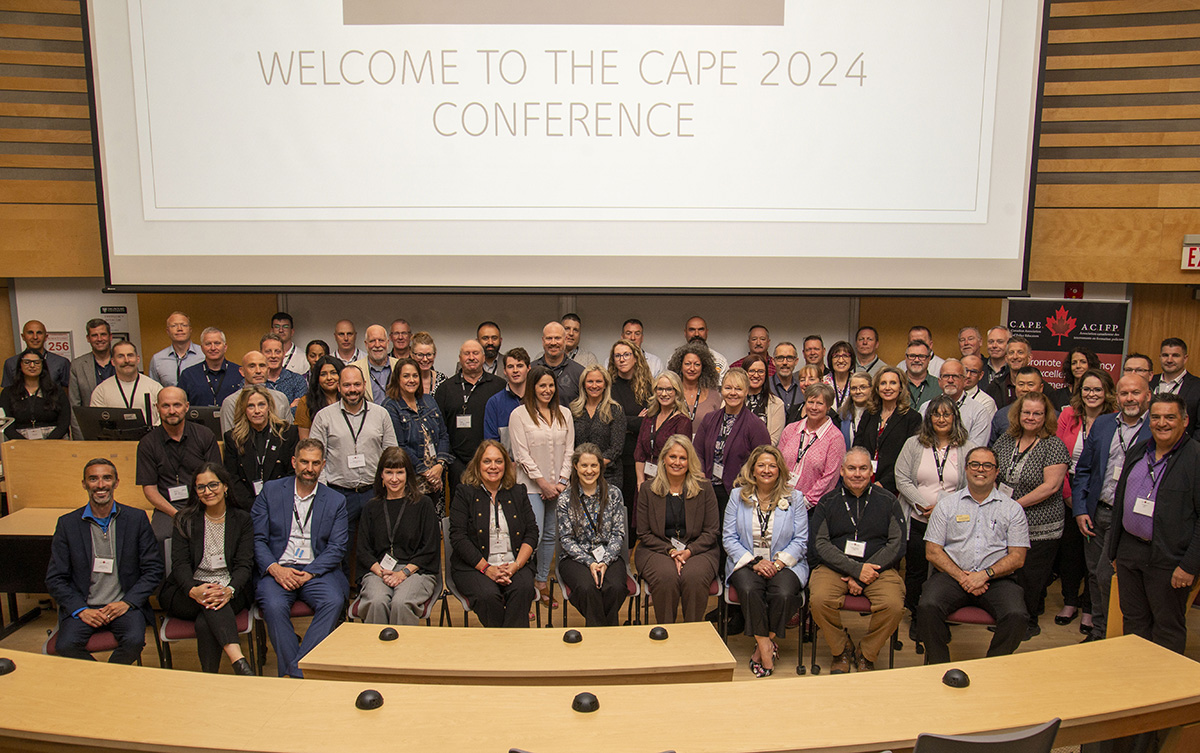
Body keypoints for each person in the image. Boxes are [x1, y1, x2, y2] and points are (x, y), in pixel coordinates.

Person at [916, 446, 1029, 664]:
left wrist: (984, 575)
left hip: (997, 579)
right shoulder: (947, 505)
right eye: (975, 465)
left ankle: (992, 667)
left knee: (1017, 615)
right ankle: (939, 665)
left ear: (996, 472)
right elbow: (932, 551)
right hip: (952, 576)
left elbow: (1018, 557)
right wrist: (963, 577)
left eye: (987, 466)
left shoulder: (1012, 509)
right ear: (966, 470)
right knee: (927, 606)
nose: (981, 470)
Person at [45, 458, 163, 664]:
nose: (100, 485)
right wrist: (81, 610)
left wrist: (127, 602)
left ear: (116, 482)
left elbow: (153, 569)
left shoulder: (137, 519)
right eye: (93, 479)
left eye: (106, 478)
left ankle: (104, 682)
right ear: (84, 484)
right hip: (85, 606)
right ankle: (105, 682)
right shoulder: (68, 524)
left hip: (123, 605)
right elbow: (55, 578)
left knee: (134, 641)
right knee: (65, 645)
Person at [1108, 393, 1200, 654]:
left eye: (1170, 417)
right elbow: (1120, 501)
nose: (1162, 423)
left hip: (1170, 559)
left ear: (1184, 421)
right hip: (1130, 552)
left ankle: (1165, 688)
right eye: (1156, 417)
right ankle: (1137, 681)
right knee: (1134, 621)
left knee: (1167, 627)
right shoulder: (1140, 450)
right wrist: (1115, 552)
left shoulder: (1195, 458)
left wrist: (1189, 566)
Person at [252, 439, 349, 677]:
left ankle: (294, 669)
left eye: (316, 463)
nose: (309, 468)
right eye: (304, 462)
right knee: (273, 606)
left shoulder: (336, 500)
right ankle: (300, 672)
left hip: (315, 570)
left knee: (333, 601)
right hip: (279, 568)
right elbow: (257, 539)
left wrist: (311, 572)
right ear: (294, 462)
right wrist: (275, 569)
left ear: (323, 465)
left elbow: (337, 547)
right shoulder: (271, 491)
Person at [809, 448, 906, 672]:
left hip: (878, 568)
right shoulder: (828, 501)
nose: (857, 473)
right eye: (851, 468)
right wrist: (855, 570)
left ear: (871, 471)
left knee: (893, 606)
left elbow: (897, 544)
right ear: (842, 471)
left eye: (863, 468)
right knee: (820, 600)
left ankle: (867, 652)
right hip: (835, 567)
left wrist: (864, 574)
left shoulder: (888, 501)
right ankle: (841, 649)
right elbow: (821, 543)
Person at [1073, 373, 1152, 643]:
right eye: (1124, 393)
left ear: (1148, 395)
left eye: (1136, 393)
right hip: (1098, 512)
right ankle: (1099, 632)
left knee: (1115, 578)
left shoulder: (1158, 426)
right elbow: (1083, 469)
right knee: (1094, 575)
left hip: (1132, 518)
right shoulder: (1104, 424)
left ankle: (1119, 636)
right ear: (1116, 397)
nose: (1129, 398)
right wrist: (1081, 509)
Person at [158, 463, 255, 675]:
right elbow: (180, 564)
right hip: (188, 592)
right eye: (201, 487)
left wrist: (228, 590)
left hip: (230, 589)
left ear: (226, 486)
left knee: (207, 619)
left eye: (213, 485)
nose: (207, 491)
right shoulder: (185, 519)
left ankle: (210, 676)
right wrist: (194, 590)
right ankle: (239, 661)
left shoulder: (242, 520)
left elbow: (244, 565)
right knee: (213, 605)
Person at [723, 446, 809, 678]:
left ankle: (764, 643)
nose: (767, 470)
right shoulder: (737, 496)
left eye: (772, 465)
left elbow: (801, 541)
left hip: (785, 562)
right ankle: (765, 647)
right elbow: (729, 538)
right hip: (746, 560)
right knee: (750, 589)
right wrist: (755, 562)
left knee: (783, 593)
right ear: (752, 469)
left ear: (780, 470)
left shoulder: (795, 498)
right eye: (761, 465)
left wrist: (778, 564)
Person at [309, 364, 399, 579]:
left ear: (364, 385)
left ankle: (370, 587)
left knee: (378, 543)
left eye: (357, 384)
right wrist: (323, 494)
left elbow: (391, 455)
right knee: (341, 547)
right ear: (339, 387)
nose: (352, 389)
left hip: (374, 492)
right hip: (339, 494)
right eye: (347, 385)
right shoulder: (324, 417)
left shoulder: (381, 414)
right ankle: (343, 591)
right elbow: (316, 457)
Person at [993, 391, 1069, 639]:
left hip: (1041, 524)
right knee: (1011, 573)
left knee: (1032, 576)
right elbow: (994, 470)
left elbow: (1051, 486)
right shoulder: (1006, 439)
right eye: (1026, 412)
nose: (1031, 417)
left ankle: (1029, 621)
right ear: (1018, 413)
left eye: (1037, 413)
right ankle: (1010, 617)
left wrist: (1014, 506)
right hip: (1008, 521)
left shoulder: (1053, 444)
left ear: (1046, 416)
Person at [895, 394, 975, 623]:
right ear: (928, 418)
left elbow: (972, 483)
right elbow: (902, 478)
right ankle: (916, 614)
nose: (941, 419)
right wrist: (921, 504)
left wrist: (942, 508)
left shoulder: (968, 448)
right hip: (917, 518)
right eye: (935, 414)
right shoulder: (914, 444)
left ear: (955, 417)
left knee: (944, 571)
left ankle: (940, 613)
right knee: (916, 570)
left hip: (952, 523)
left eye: (946, 414)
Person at [448, 440, 538, 627]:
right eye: (487, 461)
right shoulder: (464, 493)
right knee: (488, 595)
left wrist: (515, 566)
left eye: (498, 461)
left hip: (514, 563)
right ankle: (508, 645)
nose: (493, 467)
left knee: (522, 589)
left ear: (506, 464)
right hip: (475, 567)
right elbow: (458, 537)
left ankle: (504, 647)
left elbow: (532, 532)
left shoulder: (518, 492)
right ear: (477, 465)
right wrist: (487, 569)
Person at [1053, 368, 1115, 632]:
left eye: (1097, 389)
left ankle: (1089, 608)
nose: (1091, 394)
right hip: (1067, 489)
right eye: (1087, 389)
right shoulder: (1068, 415)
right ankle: (1069, 601)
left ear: (1107, 393)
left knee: (1096, 560)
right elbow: (1057, 452)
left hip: (1097, 495)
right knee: (1070, 554)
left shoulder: (1114, 420)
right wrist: (1069, 496)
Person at [635, 435, 720, 623]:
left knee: (694, 577)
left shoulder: (704, 488)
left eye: (683, 458)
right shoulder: (648, 489)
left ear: (690, 461)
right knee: (666, 577)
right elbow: (644, 533)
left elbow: (711, 531)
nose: (677, 462)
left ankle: (691, 632)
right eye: (672, 457)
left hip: (699, 550)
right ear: (664, 459)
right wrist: (671, 551)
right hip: (657, 549)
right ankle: (667, 633)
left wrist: (689, 552)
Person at [509, 365, 574, 604]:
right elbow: (521, 455)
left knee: (550, 536)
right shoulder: (519, 415)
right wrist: (543, 484)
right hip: (531, 487)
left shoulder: (564, 414)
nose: (547, 390)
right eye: (541, 385)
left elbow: (570, 451)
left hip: (559, 486)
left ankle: (541, 581)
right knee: (531, 538)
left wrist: (561, 482)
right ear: (532, 387)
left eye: (550, 385)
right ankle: (522, 586)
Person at [355, 447, 440, 626]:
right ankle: (377, 654)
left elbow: (429, 548)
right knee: (376, 602)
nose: (394, 479)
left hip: (416, 571)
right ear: (381, 476)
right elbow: (363, 550)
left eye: (400, 472)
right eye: (389, 472)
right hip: (378, 571)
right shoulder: (371, 507)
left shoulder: (423, 505)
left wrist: (403, 573)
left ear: (408, 475)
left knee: (401, 603)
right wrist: (381, 573)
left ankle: (403, 654)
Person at [555, 443, 628, 626]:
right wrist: (590, 563)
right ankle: (605, 634)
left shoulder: (614, 494)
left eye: (594, 465)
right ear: (575, 467)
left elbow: (618, 533)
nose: (589, 471)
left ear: (600, 467)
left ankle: (597, 632)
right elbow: (566, 539)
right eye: (584, 465)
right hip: (575, 558)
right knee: (587, 588)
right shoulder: (565, 498)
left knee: (616, 587)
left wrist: (604, 561)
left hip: (608, 555)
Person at [137, 387, 222, 541]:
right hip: (167, 508)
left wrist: (202, 509)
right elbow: (149, 489)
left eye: (177, 405)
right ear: (157, 408)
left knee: (213, 534)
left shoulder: (204, 435)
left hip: (203, 504)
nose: (172, 411)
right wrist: (176, 514)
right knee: (160, 537)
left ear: (187, 407)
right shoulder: (147, 443)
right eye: (165, 406)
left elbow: (216, 479)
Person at [694, 368, 772, 515]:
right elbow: (697, 451)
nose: (733, 393)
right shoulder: (709, 419)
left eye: (738, 389)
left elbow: (763, 459)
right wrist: (701, 475)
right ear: (721, 390)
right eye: (728, 388)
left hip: (739, 492)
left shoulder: (755, 425)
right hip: (708, 489)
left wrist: (745, 481)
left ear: (746, 391)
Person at [434, 339, 504, 488]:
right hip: (456, 462)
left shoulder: (499, 386)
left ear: (483, 357)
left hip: (490, 462)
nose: (471, 357)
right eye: (467, 354)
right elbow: (440, 428)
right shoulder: (445, 389)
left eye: (475, 353)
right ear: (460, 359)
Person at [383, 357, 453, 506]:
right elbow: (399, 446)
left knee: (430, 523)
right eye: (406, 376)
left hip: (435, 478)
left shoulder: (429, 400)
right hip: (410, 480)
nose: (411, 380)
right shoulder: (390, 407)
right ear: (397, 379)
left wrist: (440, 465)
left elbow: (443, 435)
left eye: (415, 375)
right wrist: (426, 472)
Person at [223, 385, 299, 511]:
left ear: (269, 406)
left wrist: (273, 504)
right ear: (244, 409)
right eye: (250, 406)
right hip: (246, 508)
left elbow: (292, 474)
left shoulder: (287, 433)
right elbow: (232, 478)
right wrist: (255, 507)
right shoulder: (233, 438)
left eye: (261, 405)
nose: (257, 411)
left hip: (281, 505)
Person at [853, 367, 922, 496]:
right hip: (864, 482)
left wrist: (884, 484)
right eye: (883, 383)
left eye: (893, 383)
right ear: (877, 388)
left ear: (901, 388)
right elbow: (857, 447)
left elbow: (911, 459)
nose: (887, 387)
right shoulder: (869, 413)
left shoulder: (912, 418)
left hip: (893, 487)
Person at [778, 383, 845, 509]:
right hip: (781, 500)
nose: (814, 407)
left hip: (813, 508)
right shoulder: (790, 429)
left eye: (819, 403)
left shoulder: (835, 438)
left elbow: (830, 477)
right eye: (810, 402)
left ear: (828, 407)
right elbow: (778, 463)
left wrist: (805, 502)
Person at [607, 339, 652, 513]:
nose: (622, 359)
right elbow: (609, 420)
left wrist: (624, 421)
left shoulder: (648, 387)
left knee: (637, 507)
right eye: (617, 355)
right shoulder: (608, 386)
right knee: (617, 507)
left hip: (641, 455)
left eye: (626, 355)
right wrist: (634, 420)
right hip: (617, 457)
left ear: (635, 358)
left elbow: (649, 422)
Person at [570, 365, 627, 488]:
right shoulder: (574, 410)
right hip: (579, 474)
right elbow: (570, 444)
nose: (594, 386)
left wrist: (593, 466)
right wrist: (583, 468)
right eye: (590, 381)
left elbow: (616, 448)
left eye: (599, 381)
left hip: (609, 476)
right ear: (584, 384)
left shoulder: (615, 410)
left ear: (606, 384)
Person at [635, 371, 693, 489]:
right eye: (660, 389)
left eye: (669, 389)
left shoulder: (683, 422)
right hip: (645, 481)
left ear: (677, 392)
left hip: (669, 483)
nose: (664, 394)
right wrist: (640, 481)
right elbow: (639, 452)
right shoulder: (649, 417)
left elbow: (680, 458)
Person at [0, 349, 69, 440]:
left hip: (54, 440)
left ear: (42, 366)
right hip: (18, 442)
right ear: (20, 365)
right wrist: (24, 443)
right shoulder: (8, 393)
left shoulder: (56, 390)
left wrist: (49, 442)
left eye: (36, 362)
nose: (32, 366)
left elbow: (64, 420)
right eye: (27, 362)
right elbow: (6, 423)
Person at [90, 340, 162, 425]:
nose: (127, 360)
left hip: (148, 437)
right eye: (121, 356)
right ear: (113, 361)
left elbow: (163, 419)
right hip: (116, 438)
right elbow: (97, 423)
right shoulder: (101, 391)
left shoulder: (155, 388)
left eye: (130, 355)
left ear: (137, 359)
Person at [926, 358, 992, 448]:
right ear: (939, 381)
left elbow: (976, 450)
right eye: (946, 376)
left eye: (955, 376)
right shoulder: (926, 407)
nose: (950, 380)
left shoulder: (979, 412)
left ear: (965, 381)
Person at [218, 351, 290, 434]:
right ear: (242, 371)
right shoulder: (231, 402)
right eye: (252, 366)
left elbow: (288, 435)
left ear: (268, 370)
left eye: (262, 366)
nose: (258, 371)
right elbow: (229, 440)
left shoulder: (281, 398)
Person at [68, 318, 115, 439]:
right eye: (94, 335)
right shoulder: (77, 366)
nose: (99, 339)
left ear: (110, 337)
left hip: (120, 428)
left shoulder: (123, 361)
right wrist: (79, 437)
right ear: (88, 338)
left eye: (103, 334)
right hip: (90, 430)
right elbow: (75, 407)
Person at [178, 327, 243, 408]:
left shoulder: (239, 373)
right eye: (208, 344)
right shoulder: (188, 375)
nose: (213, 348)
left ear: (225, 347)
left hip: (232, 420)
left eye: (217, 343)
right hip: (196, 420)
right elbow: (179, 404)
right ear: (202, 348)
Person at [1151, 337, 1200, 437]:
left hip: (1184, 448)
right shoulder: (1149, 382)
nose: (1169, 360)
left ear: (1185, 358)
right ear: (1160, 357)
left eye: (1175, 356)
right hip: (1147, 447)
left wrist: (1189, 450)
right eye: (1165, 355)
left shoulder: (1197, 386)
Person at [667, 341, 722, 428]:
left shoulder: (713, 394)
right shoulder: (670, 392)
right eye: (687, 364)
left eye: (697, 364)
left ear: (703, 367)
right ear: (680, 366)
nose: (692, 368)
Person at [1, 319, 70, 389]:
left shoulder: (61, 362)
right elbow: (7, 395)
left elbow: (67, 394)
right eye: (30, 333)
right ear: (23, 336)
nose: (35, 337)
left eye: (39, 333)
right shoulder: (11, 363)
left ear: (46, 337)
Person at [483, 347, 530, 449]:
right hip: (507, 463)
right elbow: (491, 442)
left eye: (520, 366)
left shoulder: (538, 399)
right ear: (504, 371)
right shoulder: (494, 403)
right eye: (510, 367)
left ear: (528, 368)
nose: (515, 370)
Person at [532, 321, 585, 405]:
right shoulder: (531, 370)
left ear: (565, 340)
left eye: (557, 338)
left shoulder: (579, 373)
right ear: (543, 341)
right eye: (549, 338)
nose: (553, 343)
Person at [989, 366, 1045, 443]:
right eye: (1021, 384)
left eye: (1030, 385)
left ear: (1041, 388)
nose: (1025, 389)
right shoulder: (1001, 415)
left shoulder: (1053, 416)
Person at [147, 312, 203, 388]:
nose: (179, 329)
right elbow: (154, 390)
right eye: (174, 326)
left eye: (184, 325)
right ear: (167, 331)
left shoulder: (204, 355)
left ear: (190, 330)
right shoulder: (157, 359)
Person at [294, 356, 342, 440]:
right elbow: (305, 440)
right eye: (323, 374)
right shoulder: (306, 402)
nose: (329, 378)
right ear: (317, 378)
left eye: (333, 373)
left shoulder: (350, 399)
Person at [743, 354, 785, 444]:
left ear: (766, 375)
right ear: (744, 373)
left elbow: (773, 441)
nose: (756, 375)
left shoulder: (777, 404)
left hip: (763, 456)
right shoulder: (732, 400)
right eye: (751, 371)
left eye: (761, 371)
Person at [351, 324, 397, 405]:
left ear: (387, 343)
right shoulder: (354, 369)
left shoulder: (400, 366)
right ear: (366, 344)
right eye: (372, 341)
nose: (377, 345)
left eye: (381, 340)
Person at [260, 333, 307, 408]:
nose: (273, 356)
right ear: (261, 354)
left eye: (277, 351)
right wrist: (289, 408)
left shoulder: (298, 380)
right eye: (268, 351)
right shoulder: (252, 381)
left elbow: (298, 412)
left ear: (284, 354)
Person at [987, 335, 1032, 409]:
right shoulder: (995, 386)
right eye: (1011, 353)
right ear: (1006, 358)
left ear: (1029, 358)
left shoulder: (1041, 387)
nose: (1015, 357)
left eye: (1020, 352)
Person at [838, 372, 874, 450]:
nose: (858, 391)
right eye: (854, 388)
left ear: (871, 388)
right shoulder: (842, 414)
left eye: (863, 387)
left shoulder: (877, 414)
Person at [903, 340, 941, 410]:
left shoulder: (939, 386)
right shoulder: (896, 383)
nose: (916, 360)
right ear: (906, 358)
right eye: (912, 356)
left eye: (921, 356)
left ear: (929, 358)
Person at [271, 312, 309, 377]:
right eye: (277, 326)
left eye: (285, 326)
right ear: (271, 331)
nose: (281, 330)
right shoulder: (264, 357)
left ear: (292, 332)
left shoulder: (304, 358)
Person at [769, 342, 803, 413]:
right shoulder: (766, 386)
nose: (784, 362)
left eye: (789, 358)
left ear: (796, 361)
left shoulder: (803, 387)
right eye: (780, 358)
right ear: (773, 361)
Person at [823, 340, 856, 413]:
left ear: (852, 359)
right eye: (836, 356)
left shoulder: (858, 382)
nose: (841, 360)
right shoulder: (822, 382)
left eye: (845, 356)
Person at [411, 331, 448, 396]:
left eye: (429, 354)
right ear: (412, 355)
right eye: (420, 355)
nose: (425, 359)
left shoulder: (442, 380)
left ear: (435, 354)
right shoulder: (406, 380)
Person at [982, 326, 1011, 390]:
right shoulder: (979, 368)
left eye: (1000, 342)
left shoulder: (1014, 370)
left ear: (1009, 344)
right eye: (991, 342)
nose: (994, 346)